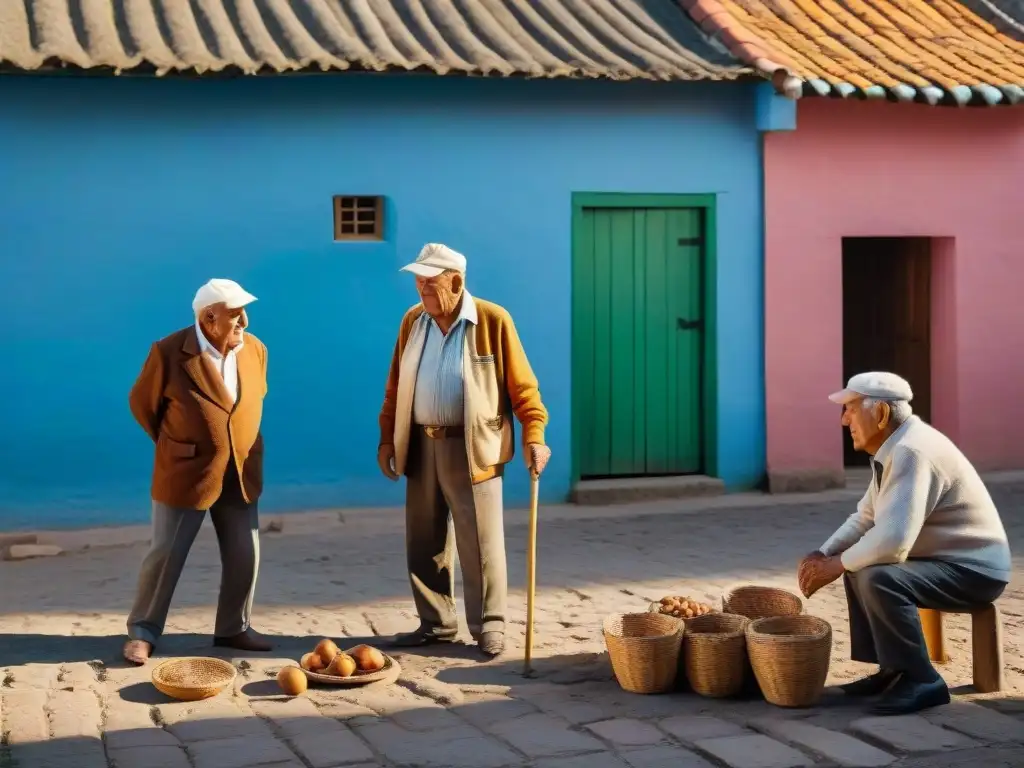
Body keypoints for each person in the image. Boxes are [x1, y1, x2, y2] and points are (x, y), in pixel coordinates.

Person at [798, 372, 1011, 715]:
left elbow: (894, 542)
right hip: (944, 562)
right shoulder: (895, 446)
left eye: (851, 409)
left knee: (875, 574)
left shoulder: (912, 450)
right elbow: (866, 516)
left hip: (975, 571)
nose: (844, 420)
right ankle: (893, 669)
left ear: (880, 413)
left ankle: (922, 679)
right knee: (858, 565)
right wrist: (824, 553)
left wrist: (836, 564)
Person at [377, 243, 551, 657]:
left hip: (472, 447)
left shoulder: (492, 320)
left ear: (456, 281)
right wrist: (388, 437)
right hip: (420, 443)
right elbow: (395, 385)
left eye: (430, 281)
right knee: (424, 540)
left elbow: (524, 388)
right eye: (418, 280)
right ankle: (435, 622)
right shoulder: (412, 322)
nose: (421, 288)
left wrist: (535, 436)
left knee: (480, 541)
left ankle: (490, 623)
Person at [122, 279, 272, 664]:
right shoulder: (171, 352)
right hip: (186, 471)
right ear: (209, 318)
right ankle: (143, 630)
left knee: (245, 552)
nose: (245, 320)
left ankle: (234, 628)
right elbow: (143, 404)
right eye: (235, 313)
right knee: (166, 553)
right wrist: (179, 444)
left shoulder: (255, 350)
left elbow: (255, 399)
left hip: (240, 469)